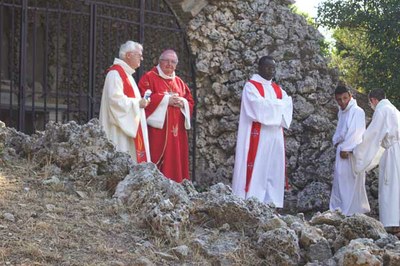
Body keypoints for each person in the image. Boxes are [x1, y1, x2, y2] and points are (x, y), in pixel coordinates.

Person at [231, 55, 293, 207]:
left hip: (275, 136)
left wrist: (272, 106)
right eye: (267, 67)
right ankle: (253, 200)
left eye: (273, 68)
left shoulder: (278, 90)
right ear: (259, 68)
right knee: (257, 167)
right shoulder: (251, 86)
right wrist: (277, 107)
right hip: (257, 136)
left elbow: (288, 105)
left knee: (274, 167)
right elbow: (257, 108)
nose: (271, 71)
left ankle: (272, 202)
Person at [138, 49, 194, 183]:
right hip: (158, 132)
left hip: (177, 133)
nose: (170, 64)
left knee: (176, 160)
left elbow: (190, 101)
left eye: (173, 61)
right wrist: (165, 100)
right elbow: (143, 99)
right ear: (159, 61)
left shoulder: (180, 82)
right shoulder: (149, 77)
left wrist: (183, 103)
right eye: (166, 61)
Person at [353, 88, 400, 233]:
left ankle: (393, 224)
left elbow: (372, 135)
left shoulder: (382, 110)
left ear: (373, 100)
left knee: (390, 186)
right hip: (395, 149)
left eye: (370, 103)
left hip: (393, 153)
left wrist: (357, 151)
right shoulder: (394, 110)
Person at [99, 40, 150, 163]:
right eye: (139, 55)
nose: (142, 58)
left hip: (127, 129)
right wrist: (137, 103)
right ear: (128, 55)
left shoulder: (127, 75)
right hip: (119, 131)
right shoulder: (115, 74)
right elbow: (115, 101)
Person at [329, 85, 370, 216]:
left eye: (345, 98)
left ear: (350, 96)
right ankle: (340, 210)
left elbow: (357, 132)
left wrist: (347, 148)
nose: (342, 102)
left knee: (351, 183)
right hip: (341, 149)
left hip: (350, 152)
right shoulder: (341, 112)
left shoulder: (357, 111)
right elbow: (340, 131)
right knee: (340, 182)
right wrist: (336, 142)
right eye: (339, 100)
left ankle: (352, 211)